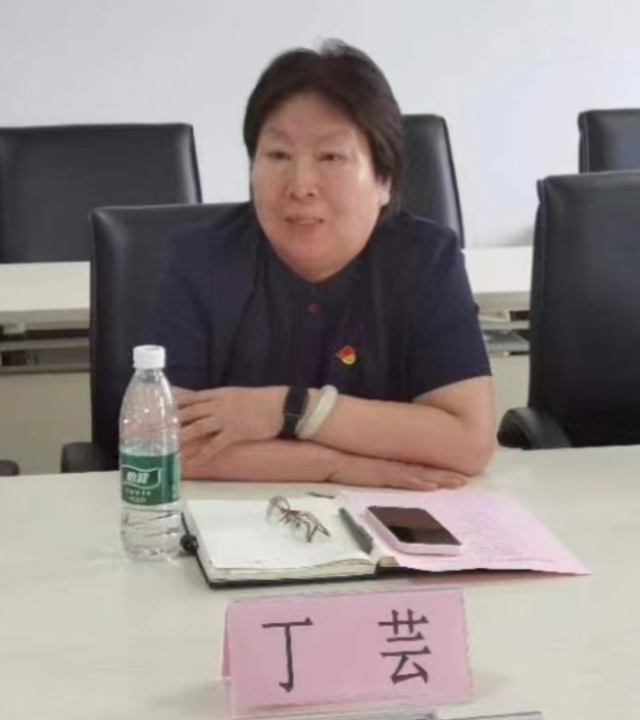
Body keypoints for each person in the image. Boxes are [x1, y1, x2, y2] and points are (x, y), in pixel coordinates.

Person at [147, 40, 495, 490]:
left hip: (393, 517)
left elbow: (467, 442)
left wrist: (290, 409)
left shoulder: (424, 259)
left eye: (330, 157)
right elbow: (160, 441)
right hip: (228, 516)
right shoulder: (201, 258)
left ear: (383, 181)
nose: (301, 185)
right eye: (278, 156)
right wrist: (336, 467)